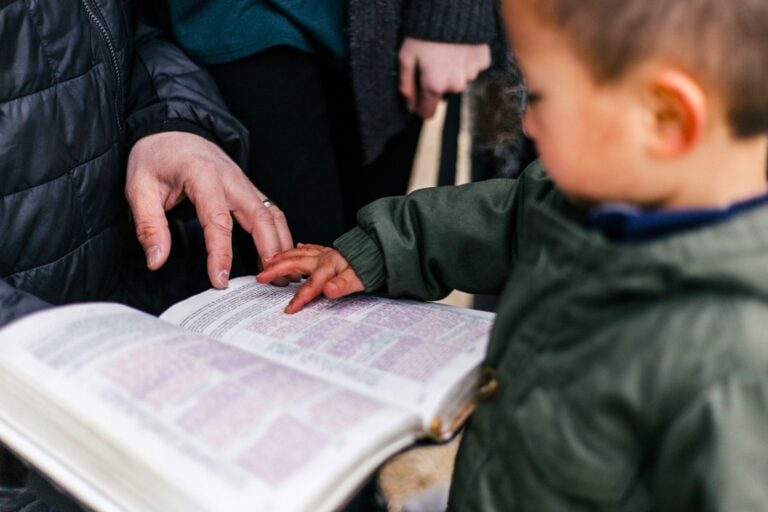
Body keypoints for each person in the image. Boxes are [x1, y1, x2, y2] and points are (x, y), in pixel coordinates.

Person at [257, 0, 768, 509]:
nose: (525, 124)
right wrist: (379, 249)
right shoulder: (589, 195)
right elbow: (502, 218)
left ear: (665, 118)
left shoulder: (735, 370)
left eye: (540, 96)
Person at [0, 0, 292, 509]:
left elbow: (127, 31)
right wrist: (54, 356)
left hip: (132, 320)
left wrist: (172, 124)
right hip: (37, 409)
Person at [159, 0, 496, 248]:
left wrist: (454, 12)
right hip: (231, 23)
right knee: (281, 280)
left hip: (382, 30)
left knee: (366, 267)